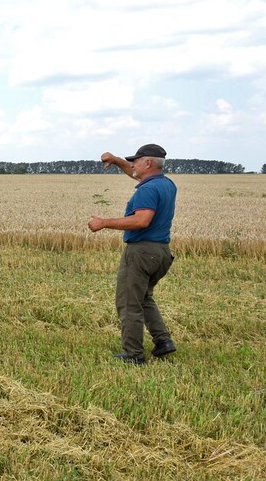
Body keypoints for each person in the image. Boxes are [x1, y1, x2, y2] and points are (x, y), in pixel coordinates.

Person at [88, 144, 178, 365]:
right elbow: (135, 174)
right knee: (144, 298)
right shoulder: (165, 184)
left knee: (129, 303)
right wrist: (118, 161)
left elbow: (141, 220)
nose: (133, 164)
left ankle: (133, 354)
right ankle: (163, 341)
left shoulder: (147, 190)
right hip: (161, 252)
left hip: (141, 252)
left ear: (148, 163)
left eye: (136, 161)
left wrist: (103, 223)